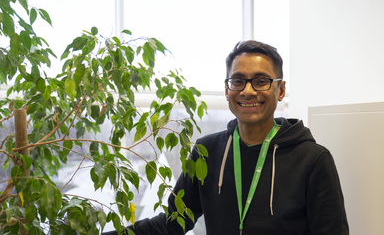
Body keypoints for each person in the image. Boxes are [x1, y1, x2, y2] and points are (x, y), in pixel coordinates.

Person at [103, 40, 349, 235]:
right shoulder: (206, 152)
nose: (248, 91)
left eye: (261, 81)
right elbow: (171, 224)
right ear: (227, 89)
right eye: (238, 81)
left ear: (280, 90)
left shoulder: (313, 160)